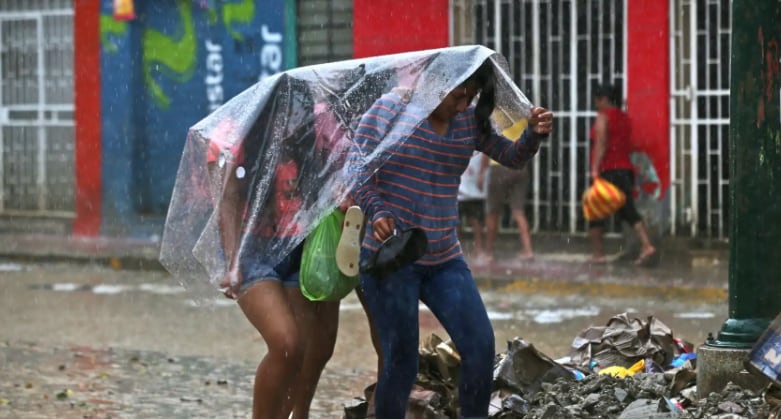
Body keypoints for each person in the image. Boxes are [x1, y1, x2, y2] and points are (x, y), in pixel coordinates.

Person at [348, 61, 553, 417]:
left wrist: (533, 134)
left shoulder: (469, 122)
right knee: (401, 361)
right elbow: (355, 169)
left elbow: (511, 156)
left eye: (471, 97)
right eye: (459, 94)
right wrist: (376, 210)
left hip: (444, 257)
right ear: (436, 80)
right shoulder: (389, 112)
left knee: (479, 346)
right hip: (390, 259)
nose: (463, 105)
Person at [588, 83, 656, 265]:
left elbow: (601, 144)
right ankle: (646, 245)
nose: (595, 104)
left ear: (603, 99)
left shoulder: (603, 117)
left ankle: (598, 254)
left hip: (608, 169)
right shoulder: (624, 118)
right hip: (625, 169)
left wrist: (594, 169)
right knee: (628, 209)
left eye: (597, 100)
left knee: (595, 211)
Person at [478, 131, 534, 263]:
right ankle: (528, 250)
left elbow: (488, 147)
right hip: (520, 166)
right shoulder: (522, 115)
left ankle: (489, 252)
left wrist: (481, 172)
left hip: (499, 166)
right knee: (518, 211)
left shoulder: (495, 118)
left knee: (492, 212)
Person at [458, 151, 488, 260]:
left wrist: (481, 173)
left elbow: (486, 155)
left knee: (476, 221)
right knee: (456, 223)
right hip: (459, 188)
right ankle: (457, 251)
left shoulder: (480, 139)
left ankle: (479, 250)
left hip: (474, 188)